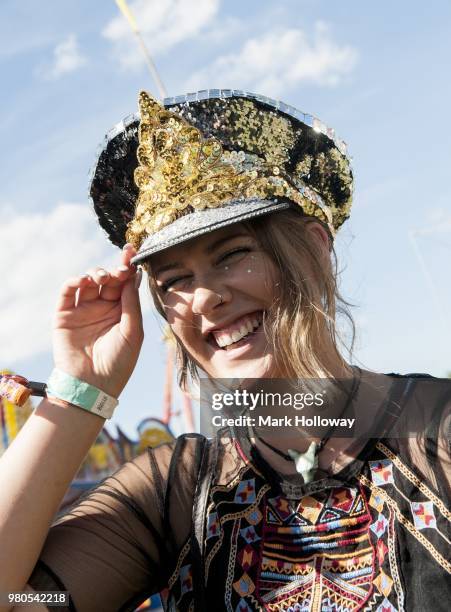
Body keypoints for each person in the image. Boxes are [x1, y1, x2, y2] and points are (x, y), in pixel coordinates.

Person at [0, 89, 450, 612]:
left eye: (232, 254)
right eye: (173, 282)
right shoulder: (177, 490)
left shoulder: (435, 431)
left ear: (316, 248)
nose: (204, 298)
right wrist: (82, 390)